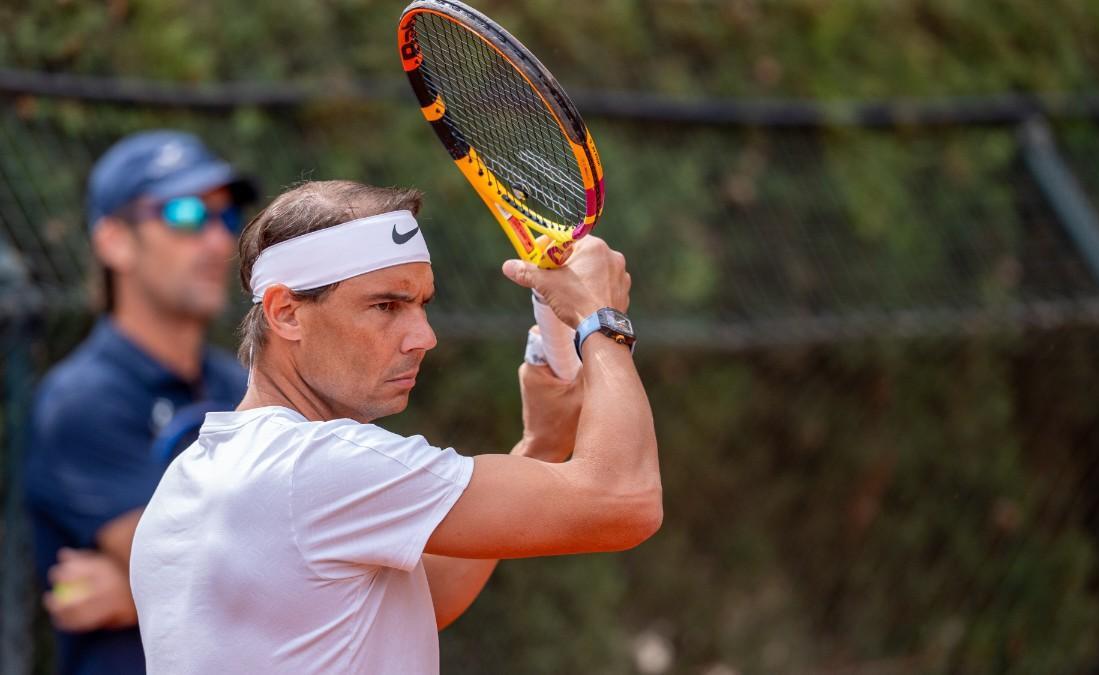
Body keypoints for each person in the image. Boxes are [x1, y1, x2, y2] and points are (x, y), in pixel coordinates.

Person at [129, 180, 661, 673]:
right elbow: (622, 502)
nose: (423, 337)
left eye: (421, 305)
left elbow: (421, 603)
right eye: (386, 305)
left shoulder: (191, 480)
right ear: (286, 313)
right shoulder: (314, 465)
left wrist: (542, 444)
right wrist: (599, 321)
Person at [23, 130, 257, 674]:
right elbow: (193, 570)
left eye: (227, 216)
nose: (220, 242)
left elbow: (267, 571)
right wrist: (154, 590)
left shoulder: (243, 386)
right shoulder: (81, 401)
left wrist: (132, 599)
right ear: (114, 242)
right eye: (182, 213)